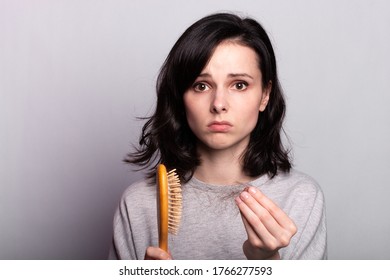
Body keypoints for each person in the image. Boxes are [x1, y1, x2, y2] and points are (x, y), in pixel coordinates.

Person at [109, 12, 327, 260]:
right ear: (181, 97)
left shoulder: (301, 198)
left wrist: (267, 262)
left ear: (265, 95)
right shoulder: (139, 203)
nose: (219, 104)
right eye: (201, 86)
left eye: (239, 85)